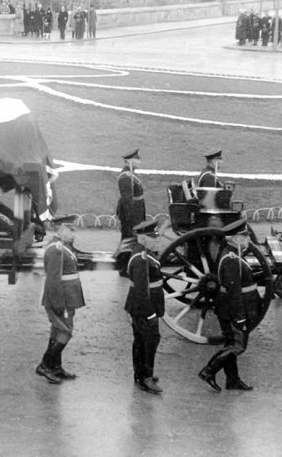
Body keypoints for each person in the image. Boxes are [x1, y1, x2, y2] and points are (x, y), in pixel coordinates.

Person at [198, 219, 259, 392]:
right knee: (238, 346)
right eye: (244, 236)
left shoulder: (230, 253)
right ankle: (209, 371)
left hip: (226, 308)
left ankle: (232, 380)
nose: (248, 240)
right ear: (234, 239)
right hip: (232, 310)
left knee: (231, 343)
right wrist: (240, 317)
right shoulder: (232, 259)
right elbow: (235, 291)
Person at [36, 214, 84, 384]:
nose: (73, 234)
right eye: (70, 230)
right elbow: (53, 280)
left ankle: (55, 367)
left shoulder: (62, 246)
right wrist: (59, 304)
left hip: (66, 297)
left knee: (58, 331)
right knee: (66, 332)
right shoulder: (56, 249)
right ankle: (46, 365)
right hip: (60, 299)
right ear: (61, 229)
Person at [125, 219, 164, 394]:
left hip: (140, 306)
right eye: (152, 237)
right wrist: (150, 315)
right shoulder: (141, 259)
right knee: (149, 341)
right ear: (142, 238)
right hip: (144, 308)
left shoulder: (143, 254)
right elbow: (141, 292)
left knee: (141, 340)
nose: (156, 239)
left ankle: (140, 373)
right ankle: (146, 377)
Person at [116, 149, 146, 242]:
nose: (139, 161)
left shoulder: (131, 174)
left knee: (134, 237)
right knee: (129, 237)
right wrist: (129, 220)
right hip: (131, 213)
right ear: (129, 161)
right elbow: (127, 200)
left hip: (136, 211)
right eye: (136, 159)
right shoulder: (126, 176)